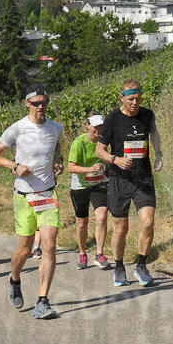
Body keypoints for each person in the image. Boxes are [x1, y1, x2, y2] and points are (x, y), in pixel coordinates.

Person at [0, 86, 64, 319]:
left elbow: (56, 145)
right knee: (25, 248)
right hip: (23, 197)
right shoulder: (17, 128)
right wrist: (15, 166)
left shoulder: (56, 128)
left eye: (44, 102)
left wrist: (58, 159)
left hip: (48, 194)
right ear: (27, 104)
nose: (41, 106)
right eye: (36, 103)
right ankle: (14, 279)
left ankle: (42, 301)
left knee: (49, 245)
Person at [94, 79, 163, 288]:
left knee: (148, 222)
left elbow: (154, 133)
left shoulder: (147, 115)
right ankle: (119, 267)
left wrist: (158, 153)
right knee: (121, 228)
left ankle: (141, 267)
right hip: (119, 179)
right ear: (121, 98)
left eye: (138, 99)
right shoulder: (113, 119)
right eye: (131, 99)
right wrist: (115, 159)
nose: (135, 103)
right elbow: (99, 151)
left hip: (143, 178)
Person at [68, 112, 111, 270]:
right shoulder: (78, 142)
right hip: (80, 186)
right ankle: (82, 253)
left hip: (98, 183)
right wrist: (90, 169)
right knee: (82, 223)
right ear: (87, 125)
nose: (99, 129)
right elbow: (70, 168)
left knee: (102, 215)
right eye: (95, 126)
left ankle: (99, 254)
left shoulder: (104, 141)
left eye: (101, 126)